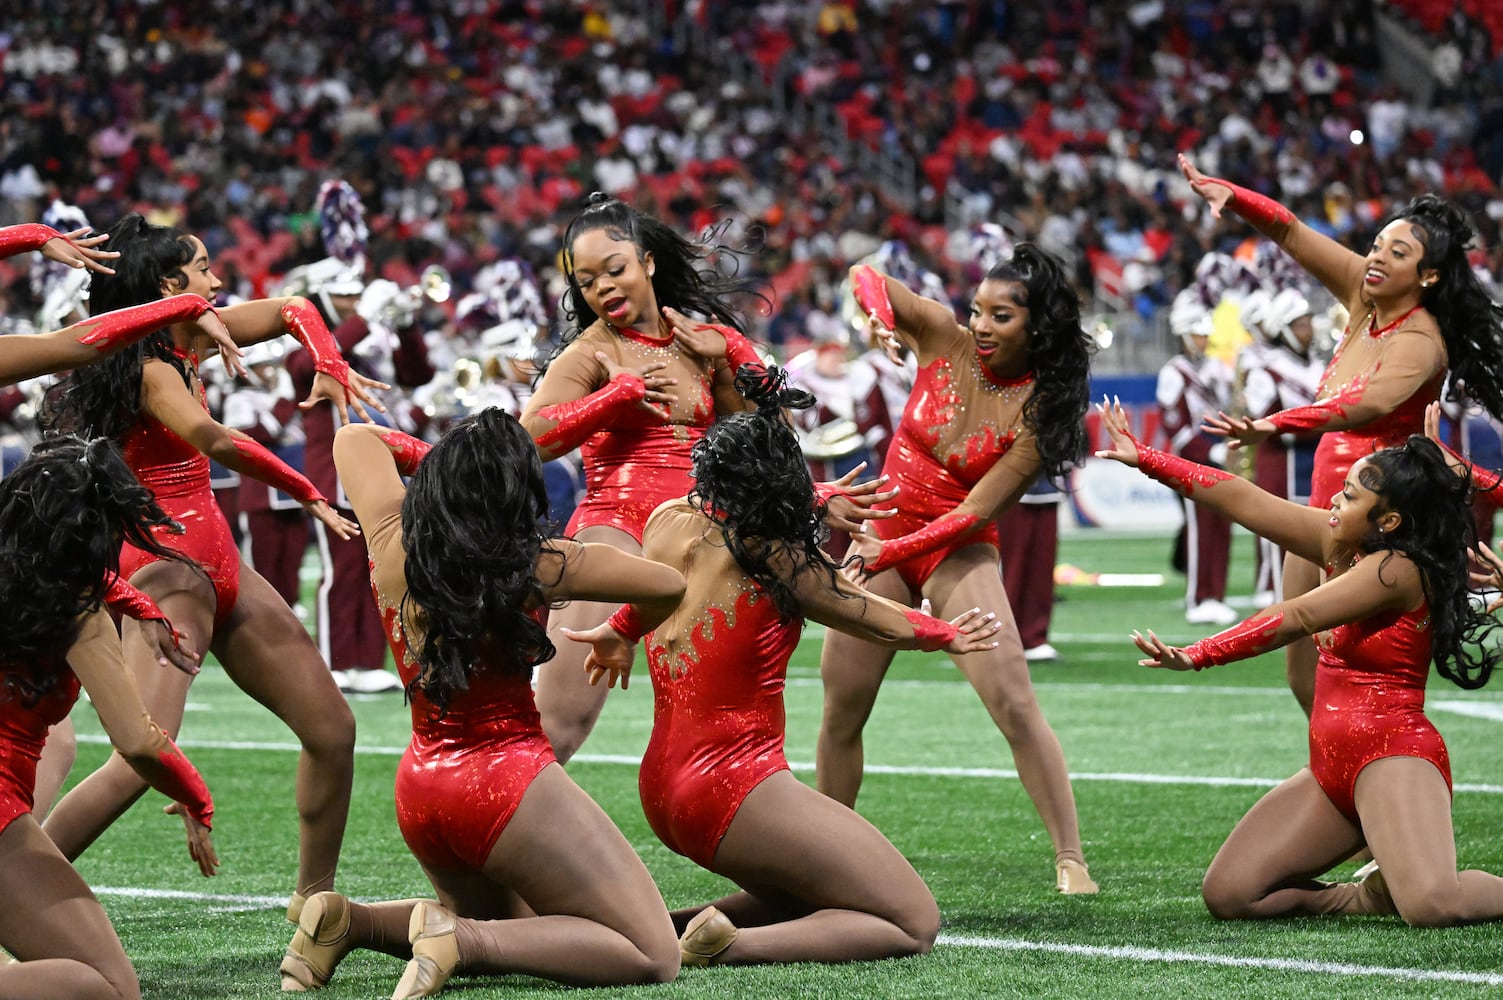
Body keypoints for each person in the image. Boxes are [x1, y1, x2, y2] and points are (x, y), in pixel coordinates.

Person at [565, 364, 1001, 966]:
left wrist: (619, 632)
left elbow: (659, 590)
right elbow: (872, 617)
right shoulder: (778, 556)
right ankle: (728, 948)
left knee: (806, 895)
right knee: (912, 921)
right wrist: (944, 632)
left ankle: (646, 932)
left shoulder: (667, 519)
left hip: (663, 787)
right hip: (733, 786)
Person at [39, 211, 387, 934]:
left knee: (332, 729)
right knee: (143, 755)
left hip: (221, 565)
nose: (218, 279)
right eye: (202, 269)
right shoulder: (146, 364)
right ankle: (20, 886)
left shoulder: (192, 333)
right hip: (169, 572)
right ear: (168, 285)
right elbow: (213, 437)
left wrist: (328, 357)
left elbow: (295, 307)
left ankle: (313, 905)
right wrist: (307, 490)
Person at [279, 411, 683, 996]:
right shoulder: (542, 563)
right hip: (507, 781)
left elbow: (354, 437)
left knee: (526, 934)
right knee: (650, 954)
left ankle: (348, 921)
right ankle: (456, 940)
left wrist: (447, 469)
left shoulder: (392, 535)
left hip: (421, 785)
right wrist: (621, 630)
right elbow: (667, 583)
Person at [1095, 397, 1503, 927]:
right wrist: (1146, 458)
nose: (1335, 497)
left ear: (1390, 519)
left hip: (1393, 757)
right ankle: (1367, 896)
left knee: (1434, 905)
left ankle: (1408, 889)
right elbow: (1241, 498)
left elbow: (1297, 615)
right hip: (1331, 764)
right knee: (1231, 894)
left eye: (1351, 494)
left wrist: (1197, 655)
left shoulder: (1398, 570)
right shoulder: (1340, 538)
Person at [521, 194, 891, 762]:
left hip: (698, 534)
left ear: (646, 261)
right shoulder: (592, 352)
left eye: (614, 269)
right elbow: (533, 435)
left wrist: (737, 350)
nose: (603, 288)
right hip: (615, 532)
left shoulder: (699, 341)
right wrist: (614, 397)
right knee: (558, 726)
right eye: (588, 280)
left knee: (721, 724)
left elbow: (755, 446)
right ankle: (494, 831)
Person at [815, 242, 1101, 894]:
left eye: (1001, 316)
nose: (980, 325)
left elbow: (974, 512)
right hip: (883, 529)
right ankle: (824, 852)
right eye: (978, 309)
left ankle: (1070, 857)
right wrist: (878, 322)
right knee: (841, 709)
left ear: (1037, 326)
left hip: (954, 545)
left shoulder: (1040, 406)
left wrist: (889, 553)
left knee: (1012, 700)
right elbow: (865, 275)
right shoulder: (942, 335)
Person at [1179, 153, 1503, 716]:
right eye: (1376, 244)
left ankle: (1386, 781)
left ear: (1428, 276)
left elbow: (1366, 403)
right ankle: (1335, 787)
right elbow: (1292, 231)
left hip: (1383, 526)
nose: (1376, 257)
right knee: (1302, 675)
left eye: (1397, 253)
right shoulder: (1364, 292)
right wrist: (1234, 196)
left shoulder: (1422, 339)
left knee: (1362, 681)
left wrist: (1275, 422)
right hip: (1323, 512)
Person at [0, 436, 218, 1000]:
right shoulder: (76, 612)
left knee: (62, 745)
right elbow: (140, 743)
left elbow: (77, 576)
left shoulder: (16, 565)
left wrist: (141, 607)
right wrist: (196, 796)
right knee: (107, 990)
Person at [1237, 287, 1324, 604]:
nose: (1308, 330)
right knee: (1277, 527)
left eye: (1309, 322)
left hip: (1313, 459)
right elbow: (1264, 422)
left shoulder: (1318, 365)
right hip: (1280, 459)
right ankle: (1273, 588)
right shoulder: (1267, 369)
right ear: (1284, 329)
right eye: (1300, 324)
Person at [1158, 287, 1236, 625]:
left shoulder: (1209, 370)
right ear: (1184, 336)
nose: (1204, 341)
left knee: (1221, 525)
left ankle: (1215, 594)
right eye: (1198, 335)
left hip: (1215, 457)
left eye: (1206, 335)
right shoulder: (1173, 373)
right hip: (1192, 461)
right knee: (1199, 528)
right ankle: (1198, 597)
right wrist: (1208, 450)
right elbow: (1175, 427)